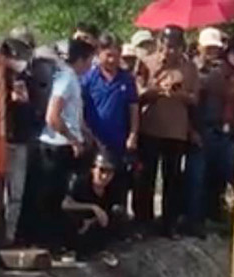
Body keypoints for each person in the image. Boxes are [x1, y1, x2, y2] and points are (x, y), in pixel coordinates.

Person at [136, 25, 199, 238]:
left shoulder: (190, 68)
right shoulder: (146, 63)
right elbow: (138, 95)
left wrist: (179, 93)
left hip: (176, 131)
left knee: (172, 180)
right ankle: (143, 223)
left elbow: (194, 99)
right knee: (146, 178)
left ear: (181, 47)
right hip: (150, 128)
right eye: (165, 45)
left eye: (174, 46)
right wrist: (155, 89)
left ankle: (169, 224)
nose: (168, 50)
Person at [36, 38, 96, 255]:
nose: (91, 66)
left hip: (64, 143)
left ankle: (56, 242)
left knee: (58, 196)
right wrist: (72, 139)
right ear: (80, 60)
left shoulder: (71, 79)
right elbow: (53, 116)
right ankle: (50, 244)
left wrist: (85, 133)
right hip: (56, 146)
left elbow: (74, 115)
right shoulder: (67, 79)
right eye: (89, 60)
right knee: (52, 198)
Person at [185, 27, 234, 235]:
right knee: (196, 178)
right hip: (198, 129)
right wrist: (190, 130)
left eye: (215, 48)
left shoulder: (225, 71)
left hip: (220, 131)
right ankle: (194, 222)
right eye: (208, 48)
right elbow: (187, 104)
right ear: (199, 48)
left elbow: (233, 96)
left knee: (233, 171)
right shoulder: (192, 69)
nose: (212, 52)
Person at [82, 31, 139, 212]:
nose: (112, 60)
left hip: (118, 140)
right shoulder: (88, 79)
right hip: (94, 140)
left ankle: (117, 224)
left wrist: (133, 134)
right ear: (99, 54)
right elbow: (79, 108)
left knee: (119, 184)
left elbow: (133, 108)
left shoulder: (127, 79)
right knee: (94, 183)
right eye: (108, 55)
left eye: (116, 55)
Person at [0, 27, 39, 246]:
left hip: (20, 138)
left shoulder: (29, 74)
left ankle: (9, 235)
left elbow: (29, 103)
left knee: (16, 192)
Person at [62, 150, 126, 262]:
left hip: (98, 221)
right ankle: (72, 249)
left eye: (109, 172)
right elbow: (65, 204)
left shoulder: (114, 186)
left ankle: (107, 248)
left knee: (118, 214)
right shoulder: (81, 182)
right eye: (101, 170)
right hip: (82, 219)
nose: (105, 176)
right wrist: (93, 207)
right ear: (93, 169)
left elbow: (116, 206)